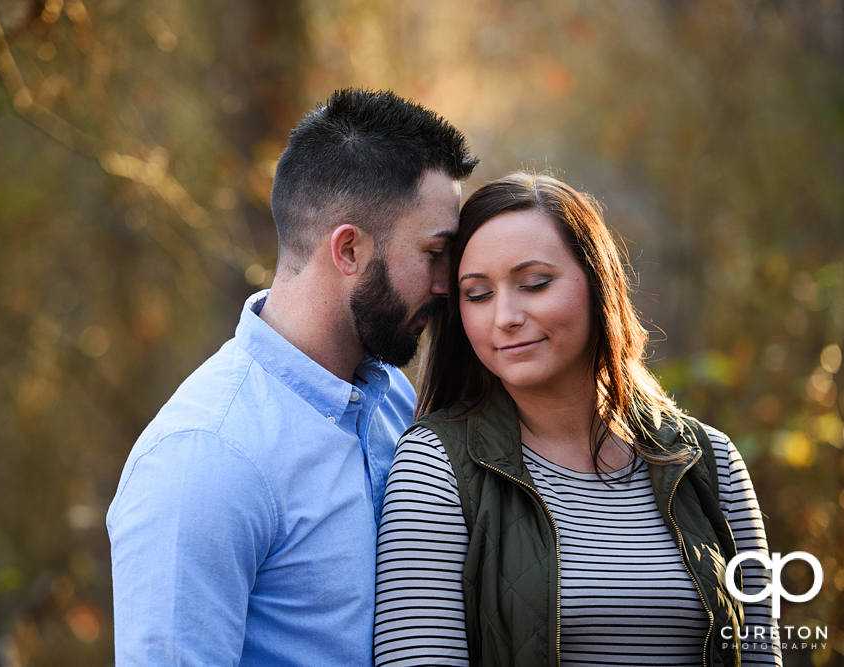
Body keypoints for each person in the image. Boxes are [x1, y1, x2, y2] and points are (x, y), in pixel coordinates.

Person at [107, 88, 478, 667]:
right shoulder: (205, 457)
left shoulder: (391, 403)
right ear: (349, 249)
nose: (446, 283)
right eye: (434, 253)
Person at [373, 172, 781, 667]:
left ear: (598, 284)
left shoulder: (709, 463)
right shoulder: (435, 465)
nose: (505, 316)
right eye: (477, 294)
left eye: (534, 284)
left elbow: (760, 655)